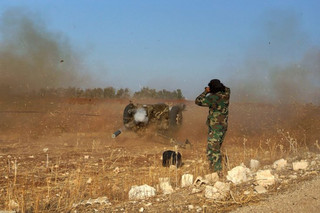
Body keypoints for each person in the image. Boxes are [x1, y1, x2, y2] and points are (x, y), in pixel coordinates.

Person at [195, 79, 230, 172]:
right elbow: (226, 88)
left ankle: (216, 171)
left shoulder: (212, 98)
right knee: (217, 147)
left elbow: (198, 101)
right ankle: (216, 168)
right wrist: (217, 86)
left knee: (213, 150)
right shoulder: (226, 94)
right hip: (223, 126)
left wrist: (205, 92)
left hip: (215, 127)